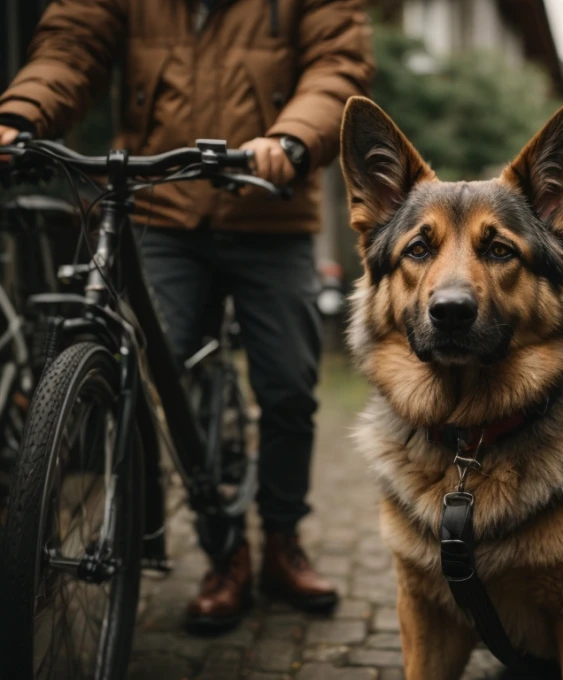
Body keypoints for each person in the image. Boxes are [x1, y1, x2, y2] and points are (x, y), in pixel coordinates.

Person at [0, 0, 375, 632]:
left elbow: (337, 66)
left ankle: (283, 539)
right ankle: (226, 554)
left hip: (269, 207)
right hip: (163, 209)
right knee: (163, 380)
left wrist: (290, 139)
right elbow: (73, 43)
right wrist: (19, 115)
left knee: (287, 384)